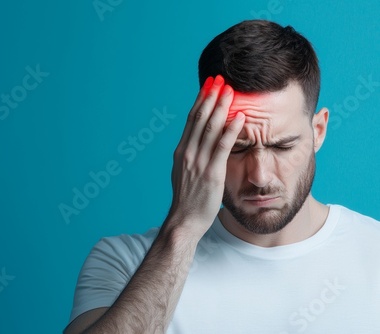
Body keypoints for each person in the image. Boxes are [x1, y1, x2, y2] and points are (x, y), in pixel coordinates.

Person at [64, 20, 380, 334]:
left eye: (282, 146)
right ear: (202, 143)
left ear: (318, 131)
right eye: (236, 148)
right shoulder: (124, 262)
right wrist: (183, 227)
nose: (260, 176)